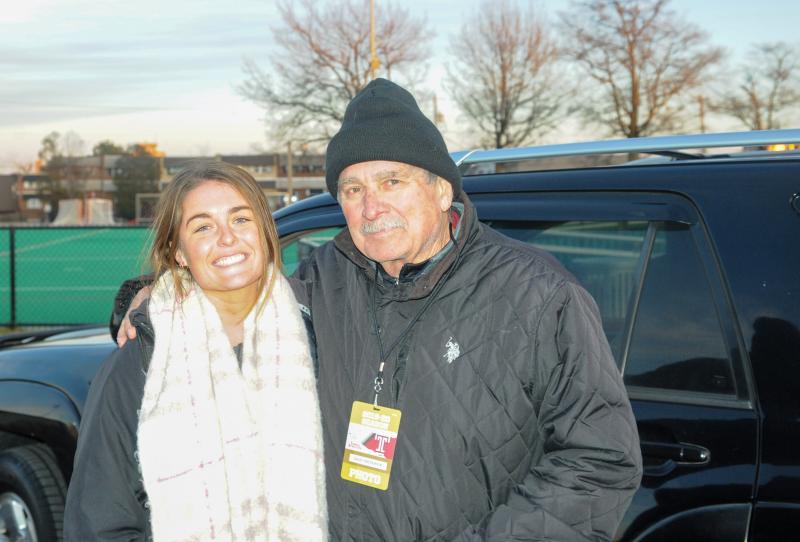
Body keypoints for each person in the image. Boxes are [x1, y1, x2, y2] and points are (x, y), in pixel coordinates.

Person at [118, 79, 642, 541]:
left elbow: (600, 464)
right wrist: (152, 296)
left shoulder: (539, 296)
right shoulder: (320, 282)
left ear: (441, 190)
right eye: (353, 189)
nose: (372, 207)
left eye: (392, 181)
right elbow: (229, 290)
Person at [65, 162, 327, 541]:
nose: (226, 238)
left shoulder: (321, 329)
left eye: (241, 219)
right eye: (203, 226)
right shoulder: (139, 362)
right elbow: (97, 522)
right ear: (179, 252)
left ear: (265, 231)